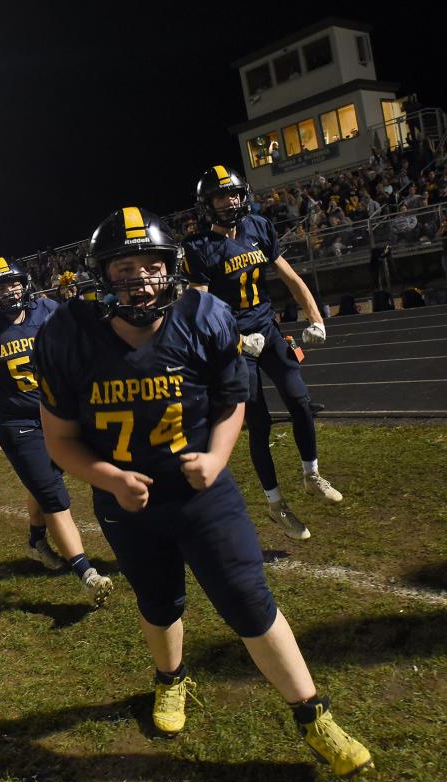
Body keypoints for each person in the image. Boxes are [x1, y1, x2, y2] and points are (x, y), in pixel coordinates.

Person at [35, 206, 372, 777]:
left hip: (201, 493)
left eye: (151, 266)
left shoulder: (205, 315)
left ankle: (313, 716)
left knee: (248, 599)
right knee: (159, 602)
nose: (139, 278)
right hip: (125, 502)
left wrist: (216, 457)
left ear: (171, 269)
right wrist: (110, 478)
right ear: (101, 275)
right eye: (123, 268)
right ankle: (171, 679)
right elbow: (61, 439)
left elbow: (230, 401)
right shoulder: (68, 334)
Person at [184, 166, 342, 541]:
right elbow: (199, 311)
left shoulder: (258, 227)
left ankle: (311, 474)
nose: (231, 201)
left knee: (300, 401)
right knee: (260, 424)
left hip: (268, 331)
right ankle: (275, 504)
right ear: (209, 204)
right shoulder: (200, 247)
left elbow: (290, 276)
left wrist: (315, 317)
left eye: (234, 193)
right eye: (222, 196)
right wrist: (236, 343)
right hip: (237, 342)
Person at [0, 257, 113, 606]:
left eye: (14, 283)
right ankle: (87, 573)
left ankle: (35, 541)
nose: (11, 291)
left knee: (42, 485)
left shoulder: (48, 311)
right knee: (55, 496)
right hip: (20, 424)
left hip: (61, 415)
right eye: (1, 286)